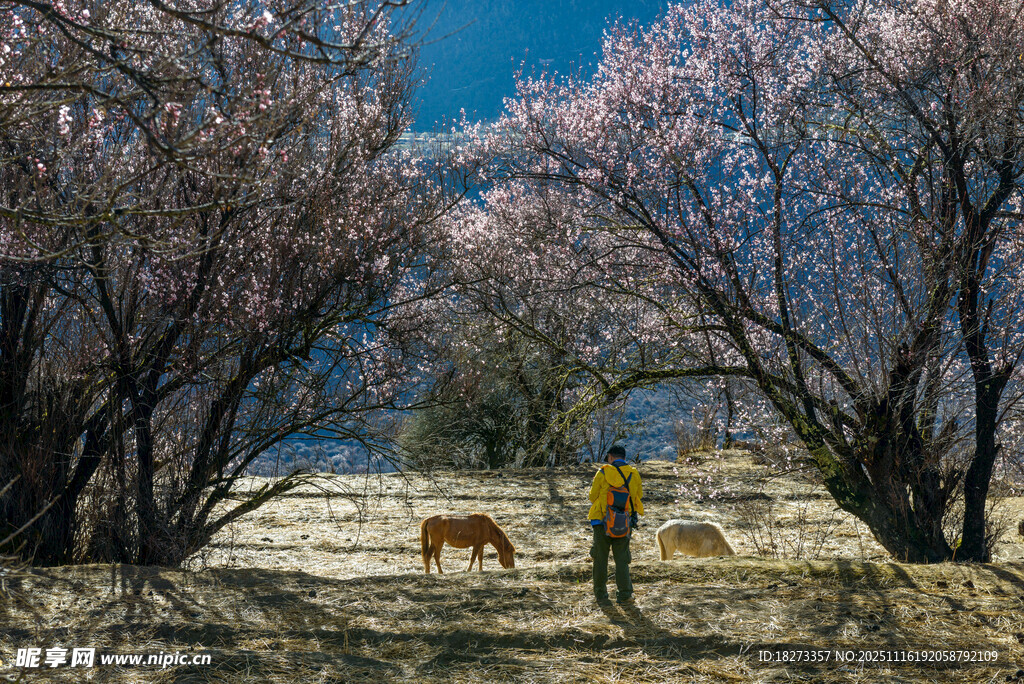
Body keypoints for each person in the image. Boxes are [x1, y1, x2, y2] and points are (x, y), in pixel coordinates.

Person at [588, 445, 644, 606]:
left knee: (600, 558)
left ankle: (601, 594)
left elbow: (592, 497)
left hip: (601, 521)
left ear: (611, 457)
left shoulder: (603, 472)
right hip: (624, 522)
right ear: (624, 457)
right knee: (622, 558)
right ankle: (625, 594)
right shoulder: (634, 474)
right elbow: (638, 496)